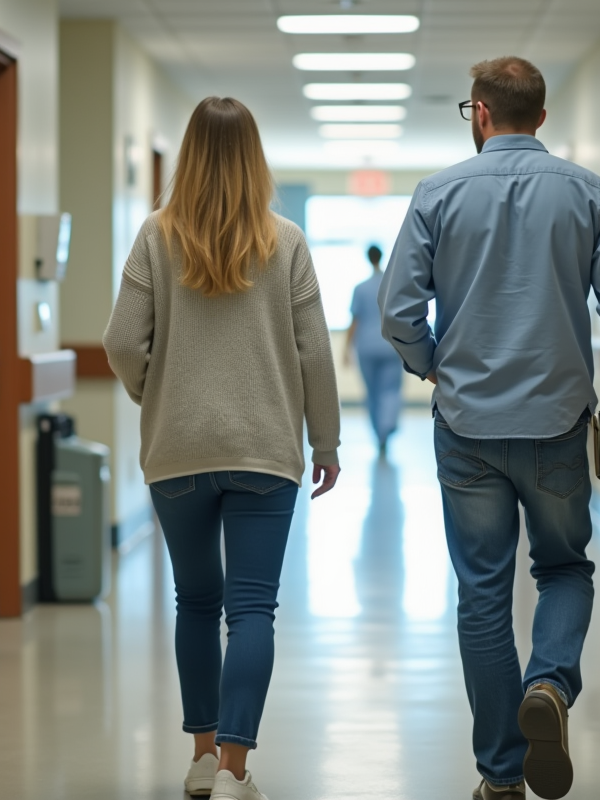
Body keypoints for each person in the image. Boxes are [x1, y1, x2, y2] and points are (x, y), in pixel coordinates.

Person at [379, 56, 600, 800]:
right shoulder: (587, 193)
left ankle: (501, 776)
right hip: (556, 426)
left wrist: (431, 366)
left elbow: (397, 311)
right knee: (564, 568)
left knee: (481, 594)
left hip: (468, 427)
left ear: (479, 113)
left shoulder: (437, 194)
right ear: (539, 117)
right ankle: (549, 686)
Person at [103, 96, 341, 800]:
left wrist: (158, 393)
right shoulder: (286, 240)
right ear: (254, 159)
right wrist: (324, 440)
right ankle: (237, 768)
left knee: (195, 601)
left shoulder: (155, 234)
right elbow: (316, 355)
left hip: (177, 452)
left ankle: (203, 756)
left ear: (189, 157)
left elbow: (120, 342)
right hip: (266, 452)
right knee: (252, 609)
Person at [346, 244, 404, 455]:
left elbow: (355, 321)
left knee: (372, 393)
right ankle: (386, 427)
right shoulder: (392, 286)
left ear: (368, 259)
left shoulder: (360, 288)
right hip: (391, 346)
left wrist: (346, 349)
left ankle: (378, 434)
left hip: (367, 348)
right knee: (390, 390)